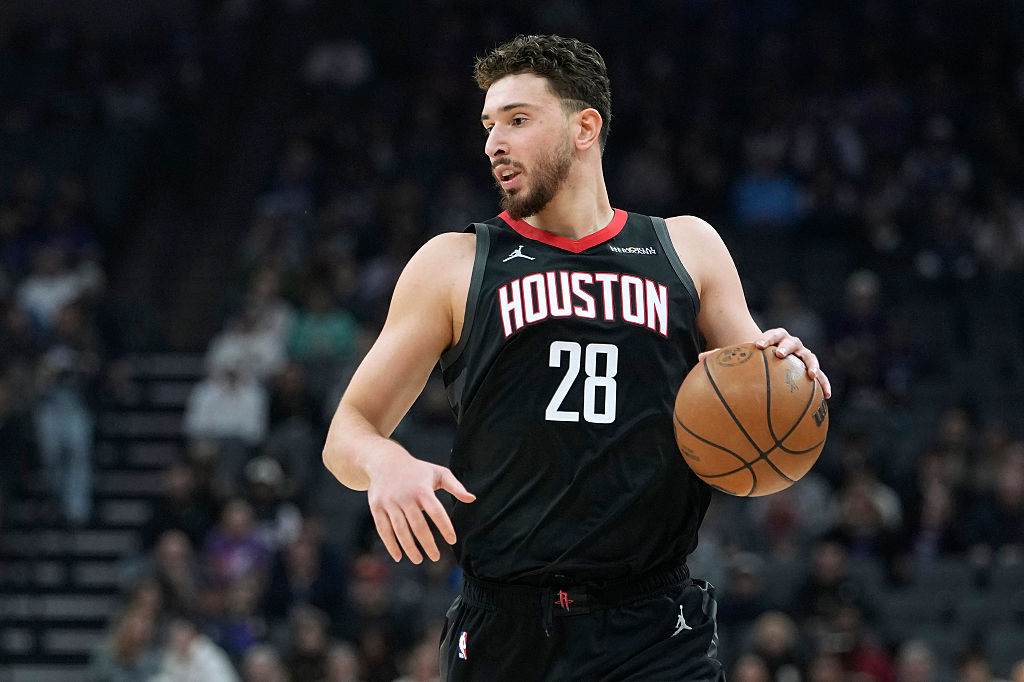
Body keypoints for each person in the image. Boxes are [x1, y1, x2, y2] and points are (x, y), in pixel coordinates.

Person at [322, 34, 831, 681]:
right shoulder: (454, 263)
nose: (493, 143)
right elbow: (346, 431)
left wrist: (788, 371)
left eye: (517, 119)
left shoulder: (688, 249)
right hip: (508, 624)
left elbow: (758, 400)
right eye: (488, 125)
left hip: (654, 624)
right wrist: (383, 458)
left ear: (584, 126)